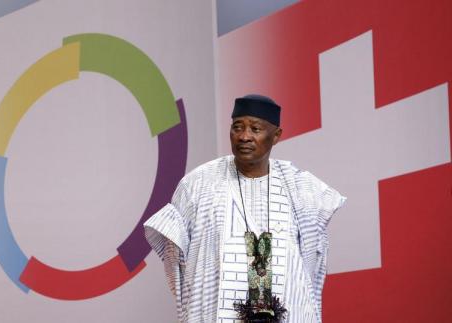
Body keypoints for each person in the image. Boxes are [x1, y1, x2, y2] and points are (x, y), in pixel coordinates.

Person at [144, 94, 346, 323]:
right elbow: (175, 256)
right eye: (237, 127)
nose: (244, 136)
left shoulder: (302, 190)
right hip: (214, 313)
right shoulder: (198, 184)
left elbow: (314, 258)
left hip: (287, 311)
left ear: (276, 136)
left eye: (255, 129)